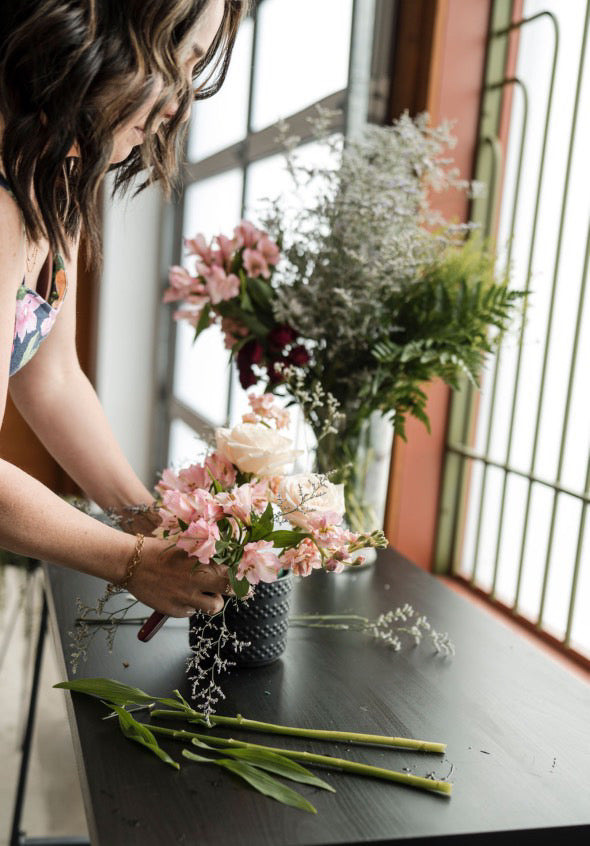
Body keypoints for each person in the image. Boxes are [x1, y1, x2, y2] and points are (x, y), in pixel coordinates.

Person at [0, 0, 248, 618]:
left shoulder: (54, 175)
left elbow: (51, 379)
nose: (175, 105)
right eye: (173, 62)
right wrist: (131, 563)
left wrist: (148, 519)